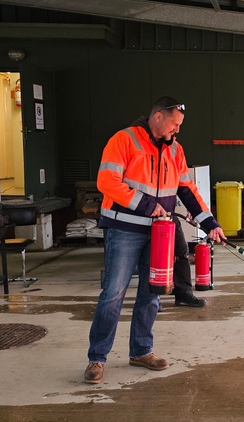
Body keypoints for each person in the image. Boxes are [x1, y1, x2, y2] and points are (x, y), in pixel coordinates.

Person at [85, 96, 225, 384]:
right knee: (113, 294)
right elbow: (107, 181)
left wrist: (209, 222)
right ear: (158, 117)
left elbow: (187, 190)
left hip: (159, 233)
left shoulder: (176, 150)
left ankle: (141, 351)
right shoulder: (124, 140)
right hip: (124, 229)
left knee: (152, 294)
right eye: (174, 123)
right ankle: (97, 358)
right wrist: (147, 205)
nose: (178, 130)